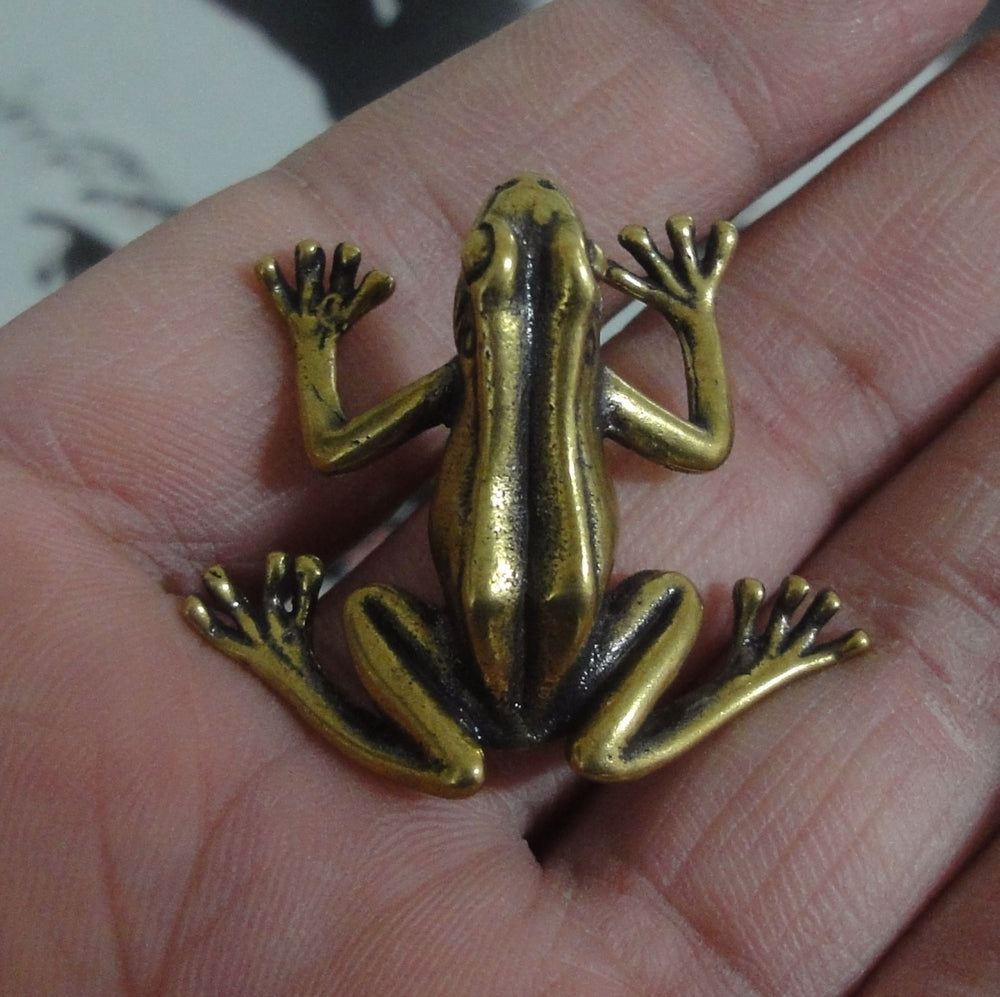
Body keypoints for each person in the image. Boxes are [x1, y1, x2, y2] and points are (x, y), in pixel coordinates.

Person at [1, 1, 997, 992]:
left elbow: (335, 444)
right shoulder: (584, 386)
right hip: (540, 663)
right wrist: (690, 315)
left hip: (502, 668)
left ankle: (300, 667)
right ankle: (742, 672)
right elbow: (704, 444)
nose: (521, 218)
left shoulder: (472, 379)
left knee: (398, 635)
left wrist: (316, 337)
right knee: (656, 623)